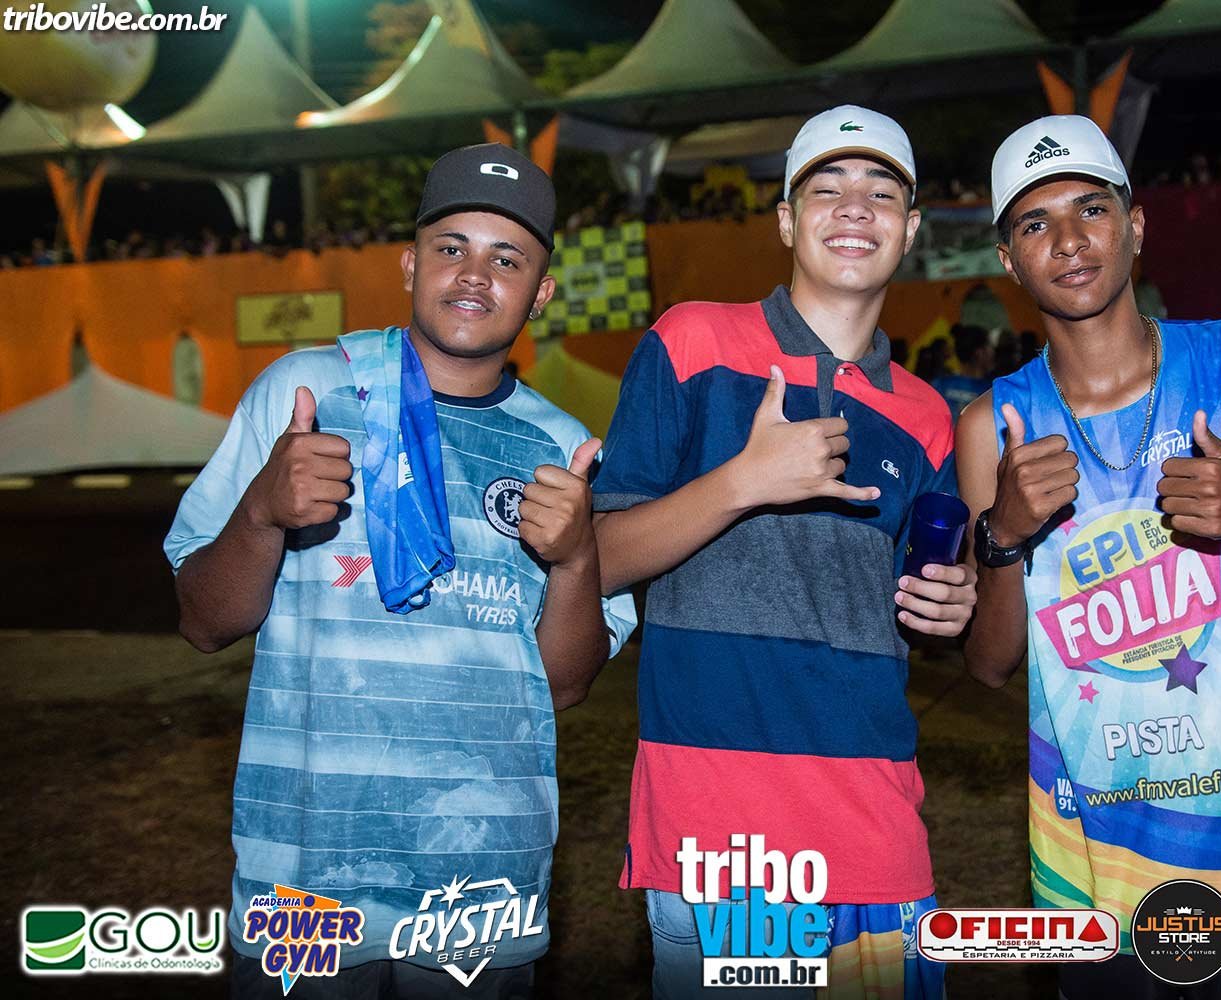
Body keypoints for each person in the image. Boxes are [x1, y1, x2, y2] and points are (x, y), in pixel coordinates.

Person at [164, 144, 637, 998]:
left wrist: (576, 561)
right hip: (301, 877)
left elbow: (565, 687)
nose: (474, 274)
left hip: (480, 885)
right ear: (411, 263)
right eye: (451, 247)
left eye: (508, 259)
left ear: (541, 293)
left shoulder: (564, 449)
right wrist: (261, 512)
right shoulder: (304, 393)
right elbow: (203, 621)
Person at [958, 115, 1221, 999]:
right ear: (1008, 260)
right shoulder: (994, 424)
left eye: (1091, 209)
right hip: (1102, 878)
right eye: (1035, 223)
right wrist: (1002, 535)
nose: (1069, 241)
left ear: (1135, 226)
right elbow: (989, 664)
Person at [590, 105, 976, 998]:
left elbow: (907, 607)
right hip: (718, 834)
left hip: (874, 823)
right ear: (787, 221)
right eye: (827, 188)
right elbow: (599, 559)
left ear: (911, 229)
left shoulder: (927, 416)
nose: (855, 207)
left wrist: (947, 606)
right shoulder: (691, 341)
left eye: (881, 192)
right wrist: (742, 482)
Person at [929, 323, 994, 420]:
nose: (993, 353)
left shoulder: (939, 385)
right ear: (979, 353)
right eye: (990, 347)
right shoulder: (991, 392)